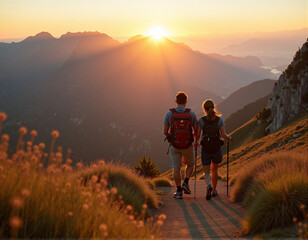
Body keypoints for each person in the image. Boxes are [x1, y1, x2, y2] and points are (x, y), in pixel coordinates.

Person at [163, 92, 198, 199]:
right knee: (191, 164)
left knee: (176, 168)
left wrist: (172, 137)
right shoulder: (191, 114)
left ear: (176, 101)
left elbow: (165, 132)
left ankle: (178, 192)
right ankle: (186, 182)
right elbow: (196, 130)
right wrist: (193, 139)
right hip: (188, 145)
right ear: (186, 102)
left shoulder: (169, 114)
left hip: (174, 145)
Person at [195, 99, 231, 200]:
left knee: (206, 171)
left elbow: (198, 135)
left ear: (204, 109)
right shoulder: (220, 120)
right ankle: (214, 190)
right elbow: (223, 136)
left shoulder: (201, 121)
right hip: (216, 148)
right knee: (214, 170)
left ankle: (208, 186)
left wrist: (196, 143)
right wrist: (229, 136)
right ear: (213, 108)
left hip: (205, 148)